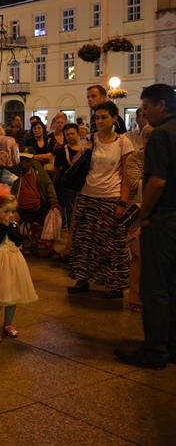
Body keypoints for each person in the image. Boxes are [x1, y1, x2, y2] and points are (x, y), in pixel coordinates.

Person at [115, 84, 176, 370]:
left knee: (154, 288)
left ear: (161, 105)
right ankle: (171, 346)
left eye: (147, 107)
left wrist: (145, 213)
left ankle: (154, 351)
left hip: (163, 219)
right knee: (172, 285)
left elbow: (157, 181)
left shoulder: (161, 134)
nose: (144, 112)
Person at [68, 100, 133, 299]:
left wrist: (122, 203)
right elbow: (74, 165)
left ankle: (114, 284)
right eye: (97, 117)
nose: (100, 121)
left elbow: (127, 176)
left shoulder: (123, 143)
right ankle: (82, 278)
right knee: (83, 241)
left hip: (110, 197)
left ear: (115, 119)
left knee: (111, 243)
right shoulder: (89, 139)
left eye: (104, 117)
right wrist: (85, 150)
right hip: (87, 194)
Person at [0, 184, 38, 343]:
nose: (10, 215)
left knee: (13, 296)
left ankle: (8, 323)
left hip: (13, 262)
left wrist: (11, 227)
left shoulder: (12, 224)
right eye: (7, 211)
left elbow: (18, 241)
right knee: (0, 298)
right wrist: (4, 228)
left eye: (13, 211)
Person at [123, 124, 152, 314]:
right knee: (139, 255)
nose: (150, 140)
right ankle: (135, 297)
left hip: (160, 213)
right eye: (147, 136)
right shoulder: (135, 158)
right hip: (136, 212)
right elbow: (133, 183)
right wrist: (160, 181)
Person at [11, 147, 62, 225]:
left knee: (53, 216)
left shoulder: (38, 170)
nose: (23, 161)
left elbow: (48, 184)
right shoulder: (14, 170)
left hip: (37, 207)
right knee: (12, 219)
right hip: (19, 208)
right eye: (22, 158)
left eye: (27, 159)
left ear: (32, 160)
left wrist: (53, 202)